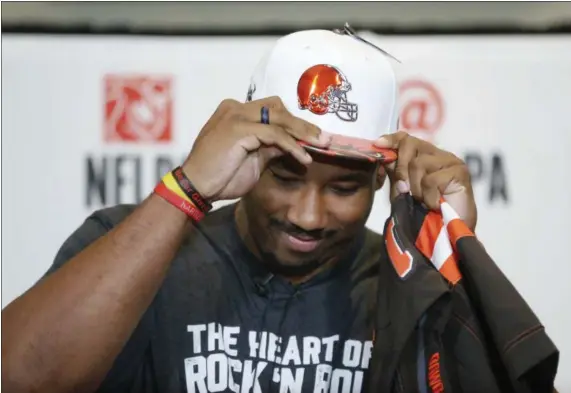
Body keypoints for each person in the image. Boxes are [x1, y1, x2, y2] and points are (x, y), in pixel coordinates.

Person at [2, 29, 480, 393]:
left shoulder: (404, 286)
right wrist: (185, 191)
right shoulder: (135, 244)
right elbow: (18, 379)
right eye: (285, 176)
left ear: (381, 178)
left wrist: (450, 267)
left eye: (342, 188)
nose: (307, 216)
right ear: (245, 152)